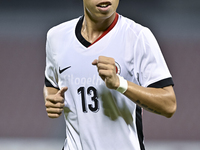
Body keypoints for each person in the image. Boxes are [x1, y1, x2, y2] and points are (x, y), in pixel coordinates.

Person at [43, 0, 177, 149]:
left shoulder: (137, 36)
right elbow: (51, 84)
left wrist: (121, 84)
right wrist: (52, 100)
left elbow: (169, 105)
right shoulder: (56, 37)